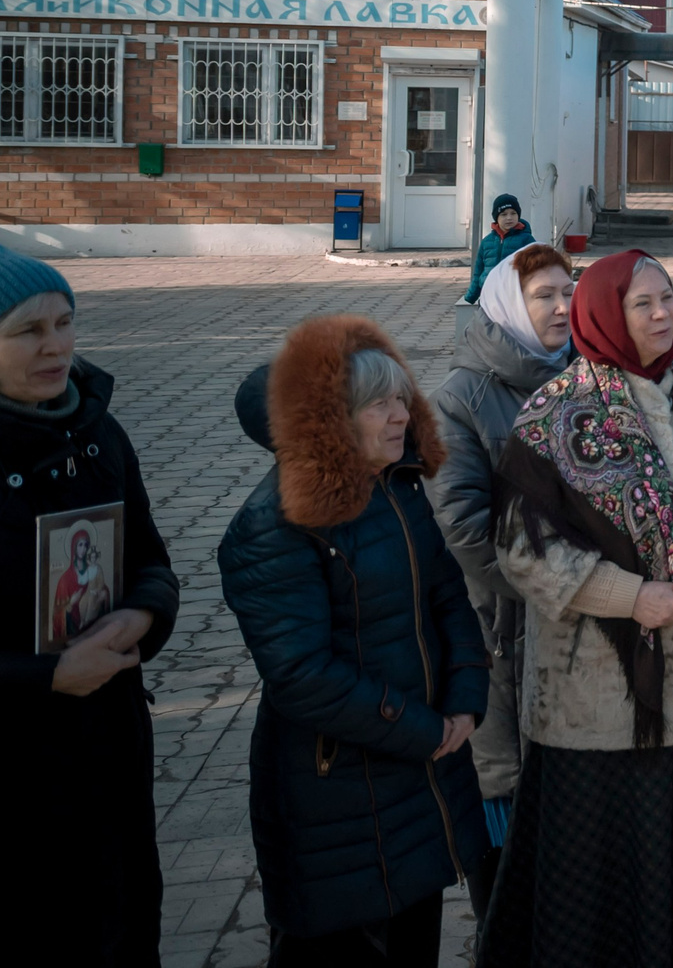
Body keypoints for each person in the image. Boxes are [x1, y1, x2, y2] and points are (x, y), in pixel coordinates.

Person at [479, 250, 673, 968]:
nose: (663, 313)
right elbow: (522, 551)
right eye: (643, 303)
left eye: (669, 297)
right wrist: (634, 598)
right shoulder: (555, 413)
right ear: (604, 312)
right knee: (592, 886)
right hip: (592, 701)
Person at [220, 318, 489, 965]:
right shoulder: (275, 524)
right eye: (378, 404)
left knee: (414, 936)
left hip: (420, 770)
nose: (400, 416)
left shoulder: (396, 488)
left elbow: (447, 596)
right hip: (334, 792)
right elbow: (302, 674)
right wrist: (422, 727)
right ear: (330, 422)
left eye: (401, 397)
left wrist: (464, 698)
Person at [0, 253, 180, 968]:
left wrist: (142, 618)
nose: (56, 346)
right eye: (28, 330)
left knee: (123, 928)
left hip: (109, 751)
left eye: (65, 322)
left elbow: (151, 560)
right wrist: (45, 676)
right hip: (15, 775)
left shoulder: (99, 433)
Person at [428, 243, 574, 914]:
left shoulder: (585, 377)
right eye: (544, 295)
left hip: (577, 630)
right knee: (504, 794)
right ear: (510, 304)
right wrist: (559, 587)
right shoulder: (462, 398)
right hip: (502, 630)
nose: (562, 306)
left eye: (567, 291)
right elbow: (461, 527)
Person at [464, 193, 536, 304]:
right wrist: (471, 295)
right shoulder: (487, 241)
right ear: (496, 217)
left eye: (513, 213)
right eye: (503, 214)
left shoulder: (526, 240)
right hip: (489, 295)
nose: (509, 218)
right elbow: (478, 271)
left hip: (515, 296)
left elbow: (535, 268)